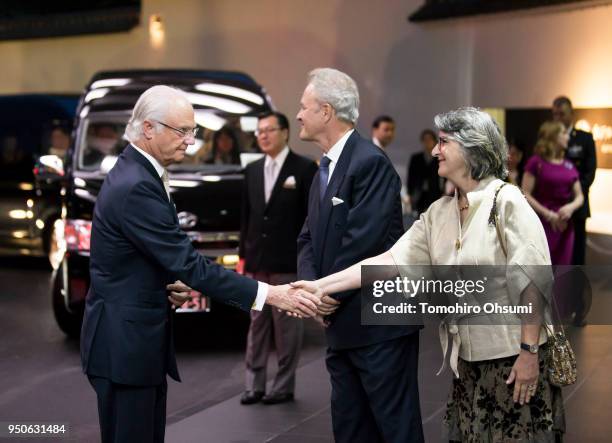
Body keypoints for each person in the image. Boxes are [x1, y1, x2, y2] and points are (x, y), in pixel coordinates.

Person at [292, 107, 566, 442]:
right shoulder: (440, 212)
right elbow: (389, 260)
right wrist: (317, 287)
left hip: (512, 360)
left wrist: (529, 353)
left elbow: (534, 282)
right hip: (466, 365)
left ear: (471, 147)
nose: (435, 150)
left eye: (443, 142)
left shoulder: (506, 200)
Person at [80, 85, 319, 443]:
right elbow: (190, 263)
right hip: (124, 346)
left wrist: (159, 284)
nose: (190, 141)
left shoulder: (137, 171)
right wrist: (270, 295)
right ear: (148, 128)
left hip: (129, 341)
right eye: (182, 131)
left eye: (193, 132)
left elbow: (134, 258)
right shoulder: (136, 185)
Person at [295, 68, 423, 443]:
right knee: (350, 428)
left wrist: (319, 294)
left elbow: (364, 243)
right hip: (341, 324)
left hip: (379, 326)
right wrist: (313, 293)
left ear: (326, 111)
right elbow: (307, 237)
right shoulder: (325, 167)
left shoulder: (370, 162)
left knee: (395, 429)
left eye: (304, 107)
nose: (298, 115)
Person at [239, 111, 317, 405]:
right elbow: (246, 219)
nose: (263, 135)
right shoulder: (252, 170)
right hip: (258, 263)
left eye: (269, 130)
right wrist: (243, 257)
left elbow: (311, 219)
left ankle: (283, 385)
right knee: (256, 324)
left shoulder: (304, 168)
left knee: (287, 329)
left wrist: (308, 262)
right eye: (259, 131)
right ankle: (253, 384)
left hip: (288, 263)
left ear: (285, 132)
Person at [522, 121, 583, 265]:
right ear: (553, 136)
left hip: (564, 226)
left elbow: (580, 196)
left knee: (562, 273)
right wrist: (549, 215)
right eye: (563, 133)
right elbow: (525, 193)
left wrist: (570, 207)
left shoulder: (568, 165)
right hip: (540, 224)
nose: (568, 137)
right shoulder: (536, 162)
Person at [552, 96, 596, 267]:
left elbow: (589, 173)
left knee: (576, 255)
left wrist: (571, 197)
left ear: (571, 113)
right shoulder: (551, 141)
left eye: (562, 114)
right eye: (555, 115)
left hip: (577, 206)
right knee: (556, 253)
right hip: (554, 206)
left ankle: (576, 289)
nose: (558, 119)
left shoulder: (584, 138)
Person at [407, 128, 444, 214]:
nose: (427, 142)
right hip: (419, 192)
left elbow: (444, 177)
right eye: (425, 139)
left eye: (429, 139)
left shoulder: (439, 158)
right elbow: (411, 177)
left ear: (434, 141)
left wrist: (444, 191)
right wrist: (409, 193)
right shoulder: (416, 158)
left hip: (435, 191)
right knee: (419, 216)